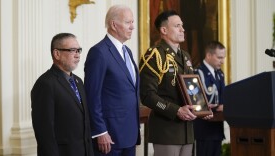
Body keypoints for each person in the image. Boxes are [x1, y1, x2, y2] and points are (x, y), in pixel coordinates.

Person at [140, 10, 212, 156]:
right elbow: (147, 95)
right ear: (164, 30)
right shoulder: (155, 55)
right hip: (167, 131)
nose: (182, 29)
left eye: (182, 25)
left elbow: (190, 89)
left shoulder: (185, 56)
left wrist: (201, 107)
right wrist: (176, 110)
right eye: (177, 26)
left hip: (187, 131)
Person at [84, 5, 140, 156]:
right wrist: (100, 131)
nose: (132, 27)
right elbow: (92, 95)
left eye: (133, 22)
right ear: (114, 25)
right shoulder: (99, 52)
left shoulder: (127, 51)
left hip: (129, 134)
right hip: (109, 136)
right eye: (128, 22)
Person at [31, 33, 94, 156]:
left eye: (79, 50)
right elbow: (45, 133)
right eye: (72, 50)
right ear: (57, 54)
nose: (77, 55)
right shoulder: (45, 84)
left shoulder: (78, 81)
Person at [194, 41, 226, 156]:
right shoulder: (198, 73)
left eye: (223, 58)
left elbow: (222, 98)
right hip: (204, 129)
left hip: (217, 128)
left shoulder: (219, 74)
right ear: (208, 55)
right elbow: (196, 102)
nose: (222, 61)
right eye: (219, 57)